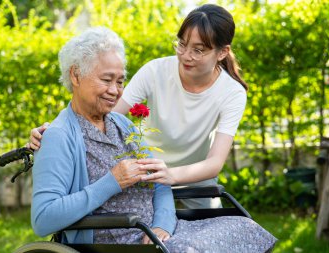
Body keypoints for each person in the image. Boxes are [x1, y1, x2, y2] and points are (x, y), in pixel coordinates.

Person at [31, 26, 276, 252]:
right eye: (106, 80)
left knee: (242, 226)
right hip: (121, 241)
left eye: (119, 81)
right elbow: (43, 219)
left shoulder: (122, 125)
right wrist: (112, 181)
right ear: (75, 76)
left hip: (158, 234)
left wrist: (163, 226)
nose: (115, 90)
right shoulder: (59, 137)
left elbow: (159, 182)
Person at [30, 4, 247, 209]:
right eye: (182, 44)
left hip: (194, 179)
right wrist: (56, 132)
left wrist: (171, 175)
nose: (185, 56)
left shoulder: (232, 92)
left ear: (222, 52)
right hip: (147, 175)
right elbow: (103, 115)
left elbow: (214, 162)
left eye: (198, 50)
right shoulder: (155, 71)